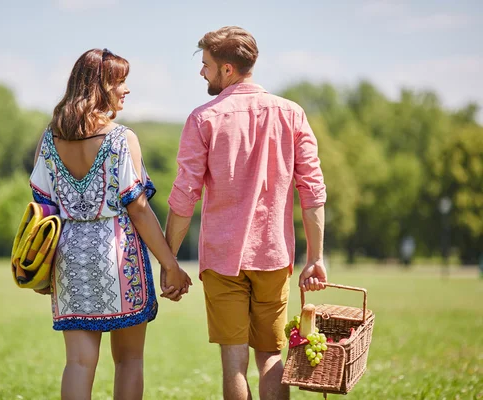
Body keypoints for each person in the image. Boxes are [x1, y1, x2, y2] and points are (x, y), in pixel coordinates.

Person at [164, 27, 328, 400]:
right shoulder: (292, 114)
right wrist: (316, 257)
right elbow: (313, 189)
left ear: (226, 69)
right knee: (271, 357)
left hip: (222, 260)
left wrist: (170, 258)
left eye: (205, 65)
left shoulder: (203, 118)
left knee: (233, 362)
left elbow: (185, 194)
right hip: (273, 257)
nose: (201, 73)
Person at [29, 48, 191, 400]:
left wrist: (45, 268)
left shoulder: (50, 138)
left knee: (78, 363)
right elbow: (139, 208)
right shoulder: (121, 138)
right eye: (120, 82)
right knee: (129, 360)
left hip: (68, 256)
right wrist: (170, 264)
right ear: (100, 86)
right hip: (119, 257)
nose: (126, 90)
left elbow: (43, 205)